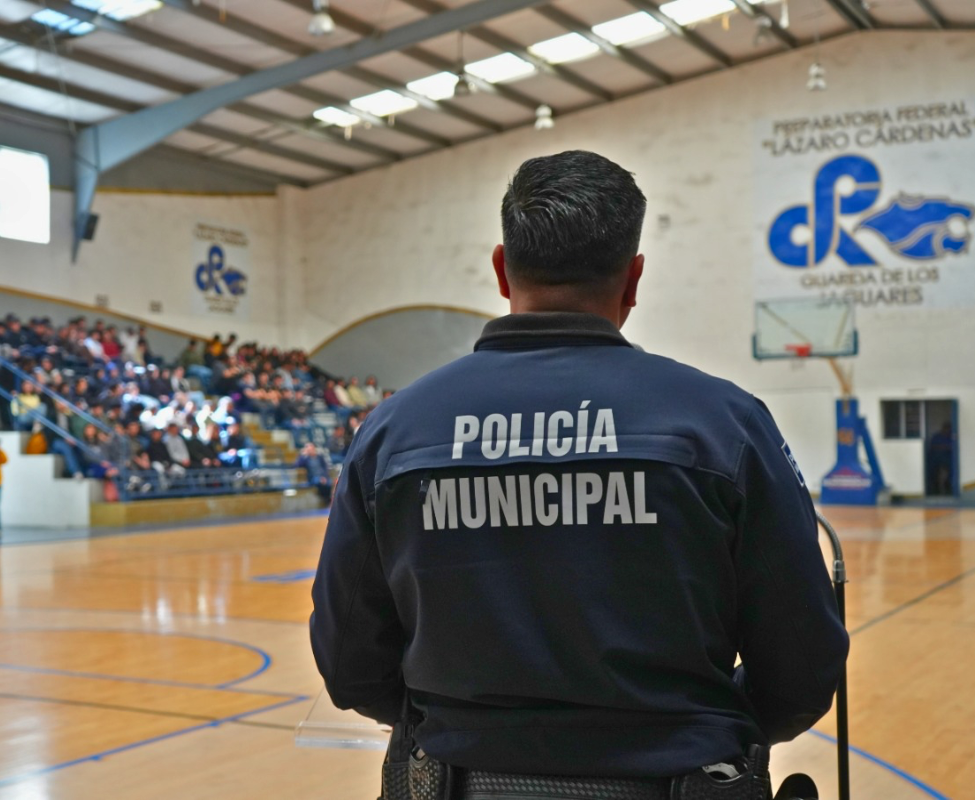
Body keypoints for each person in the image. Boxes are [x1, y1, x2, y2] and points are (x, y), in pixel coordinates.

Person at [310, 151, 849, 799]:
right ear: (634, 278)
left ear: (503, 270)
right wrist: (701, 728)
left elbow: (350, 662)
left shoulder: (393, 431)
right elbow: (802, 665)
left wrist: (463, 732)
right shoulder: (723, 424)